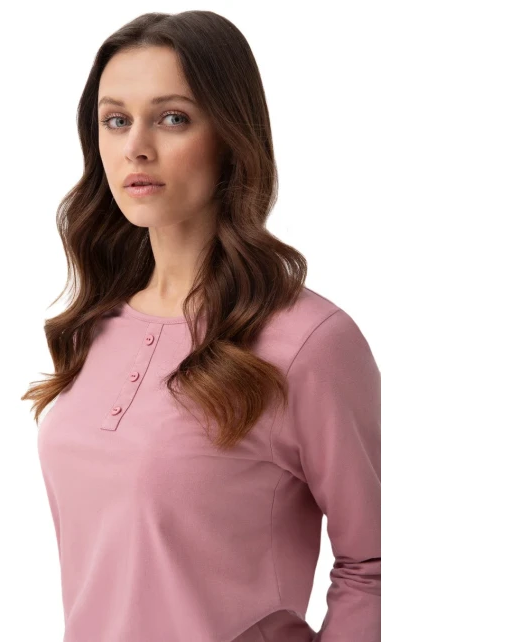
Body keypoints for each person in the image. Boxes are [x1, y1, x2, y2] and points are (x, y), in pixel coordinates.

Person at [23, 10, 381, 642]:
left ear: (231, 136)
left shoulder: (310, 341)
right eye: (115, 120)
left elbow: (379, 565)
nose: (136, 146)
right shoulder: (94, 327)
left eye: (172, 118)